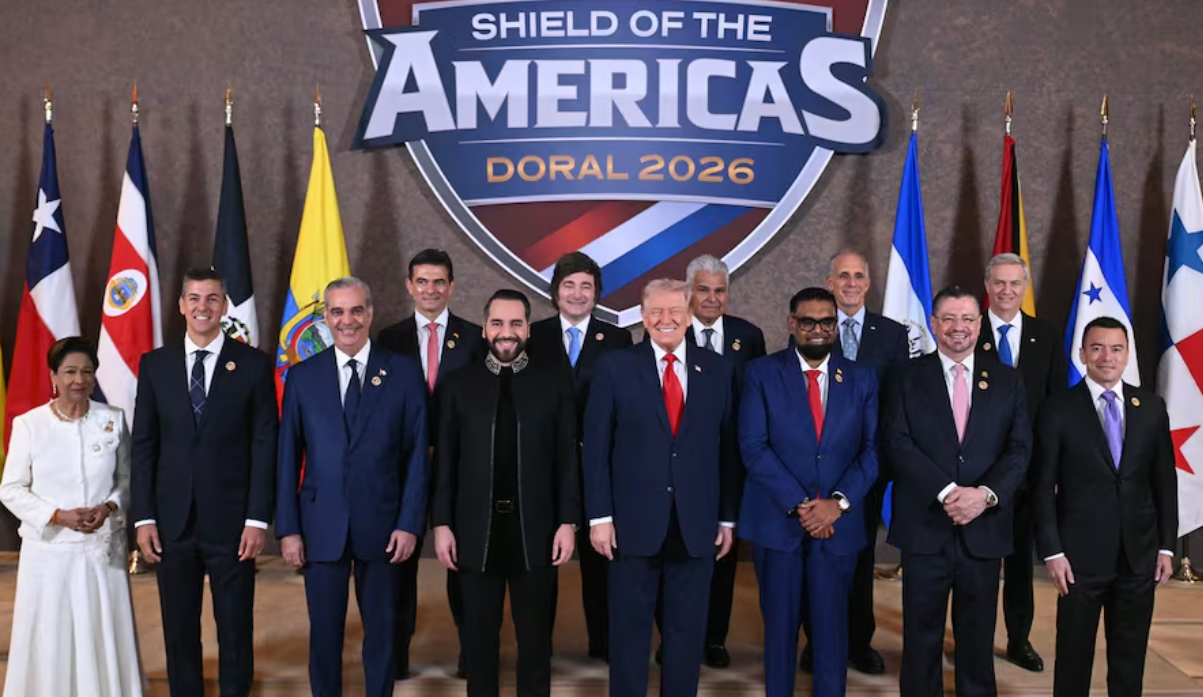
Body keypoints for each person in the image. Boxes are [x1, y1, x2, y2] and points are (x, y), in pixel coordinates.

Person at [584, 279, 740, 697]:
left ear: (689, 316)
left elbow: (728, 451)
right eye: (655, 312)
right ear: (642, 316)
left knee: (687, 634)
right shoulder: (615, 367)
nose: (665, 320)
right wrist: (600, 517)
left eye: (674, 311)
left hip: (696, 523)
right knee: (629, 635)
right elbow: (596, 449)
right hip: (631, 525)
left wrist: (727, 516)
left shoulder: (719, 370)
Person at [276, 277, 429, 697]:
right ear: (325, 318)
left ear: (370, 313)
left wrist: (410, 523)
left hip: (383, 528)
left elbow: (417, 456)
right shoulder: (303, 378)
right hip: (319, 527)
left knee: (381, 635)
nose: (348, 320)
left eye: (356, 310)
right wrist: (288, 529)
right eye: (338, 311)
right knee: (324, 636)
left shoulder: (401, 372)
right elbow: (287, 457)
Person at [132, 268, 277, 697]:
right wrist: (144, 517)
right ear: (181, 305)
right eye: (194, 298)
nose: (202, 307)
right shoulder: (154, 365)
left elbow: (265, 444)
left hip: (233, 524)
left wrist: (257, 519)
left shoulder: (252, 364)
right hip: (171, 523)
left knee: (234, 628)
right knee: (179, 630)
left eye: (212, 299)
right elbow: (144, 444)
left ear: (224, 306)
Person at [882, 286, 1030, 697]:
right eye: (948, 318)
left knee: (977, 640)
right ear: (933, 324)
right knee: (921, 638)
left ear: (979, 324)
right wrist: (948, 492)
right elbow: (896, 442)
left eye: (966, 318)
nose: (958, 328)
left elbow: (1019, 449)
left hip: (983, 531)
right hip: (925, 529)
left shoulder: (1007, 380)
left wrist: (984, 494)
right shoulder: (906, 376)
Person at [433, 289, 579, 697]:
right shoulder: (459, 385)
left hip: (535, 530)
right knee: (479, 644)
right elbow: (445, 462)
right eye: (497, 323)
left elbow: (567, 459)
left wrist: (568, 521)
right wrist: (442, 523)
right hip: (475, 532)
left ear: (528, 330)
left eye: (516, 323)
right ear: (485, 329)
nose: (506, 332)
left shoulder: (553, 384)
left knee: (535, 644)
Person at [739, 288, 878, 697]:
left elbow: (872, 450)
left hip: (838, 529)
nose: (817, 330)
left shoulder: (861, 377)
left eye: (826, 322)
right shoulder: (760, 374)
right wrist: (803, 506)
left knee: (833, 634)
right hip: (779, 526)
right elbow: (753, 446)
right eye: (808, 322)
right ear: (791, 324)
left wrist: (837, 504)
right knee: (779, 633)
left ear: (836, 326)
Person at [1032, 317, 1177, 697]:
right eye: (1097, 348)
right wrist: (1052, 551)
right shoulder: (1057, 409)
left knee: (1129, 664)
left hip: (1138, 557)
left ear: (1128, 355)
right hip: (1078, 560)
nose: (1106, 357)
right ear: (1082, 355)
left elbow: (1165, 482)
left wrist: (1166, 546)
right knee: (1073, 661)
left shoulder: (1151, 408)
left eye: (1116, 349)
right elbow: (1042, 487)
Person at [0, 337, 143, 697]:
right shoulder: (30, 425)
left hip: (102, 552)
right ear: (54, 377)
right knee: (54, 633)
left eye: (86, 371)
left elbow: (127, 479)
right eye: (69, 372)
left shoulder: (112, 420)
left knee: (102, 629)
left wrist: (109, 506)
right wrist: (56, 515)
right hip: (50, 554)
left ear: (94, 377)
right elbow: (11, 489)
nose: (78, 379)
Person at [798, 250, 908, 676]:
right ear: (830, 281)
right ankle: (817, 641)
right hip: (816, 464)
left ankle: (858, 642)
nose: (850, 282)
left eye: (858, 276)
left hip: (868, 465)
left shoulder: (892, 334)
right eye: (842, 275)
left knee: (861, 557)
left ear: (868, 282)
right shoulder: (811, 327)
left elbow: (897, 404)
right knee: (818, 553)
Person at [377, 248, 484, 678]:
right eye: (422, 281)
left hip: (458, 470)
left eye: (439, 282)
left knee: (463, 562)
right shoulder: (389, 338)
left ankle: (471, 651)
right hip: (402, 468)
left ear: (452, 287)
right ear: (409, 285)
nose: (430, 290)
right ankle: (396, 653)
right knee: (397, 562)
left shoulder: (475, 338)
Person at [527, 251, 632, 661]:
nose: (577, 293)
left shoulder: (619, 339)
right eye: (569, 285)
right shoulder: (533, 337)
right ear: (555, 292)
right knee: (540, 565)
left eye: (586, 286)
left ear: (597, 294)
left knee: (601, 563)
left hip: (598, 468)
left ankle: (604, 646)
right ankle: (537, 648)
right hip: (544, 470)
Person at [672, 254, 765, 669]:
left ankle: (714, 638)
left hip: (732, 462)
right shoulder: (669, 330)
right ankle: (674, 638)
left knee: (723, 552)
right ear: (689, 293)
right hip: (680, 463)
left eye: (719, 290)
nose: (712, 298)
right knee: (676, 553)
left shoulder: (750, 336)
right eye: (704, 290)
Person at [975, 252, 1065, 673]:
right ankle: (973, 639)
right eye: (999, 283)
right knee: (976, 564)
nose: (1006, 291)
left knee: (1018, 565)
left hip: (1028, 474)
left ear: (1023, 287)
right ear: (987, 287)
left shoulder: (1046, 337)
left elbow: (1054, 410)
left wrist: (1055, 471)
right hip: (977, 474)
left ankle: (1018, 639)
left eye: (1014, 283)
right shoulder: (968, 333)